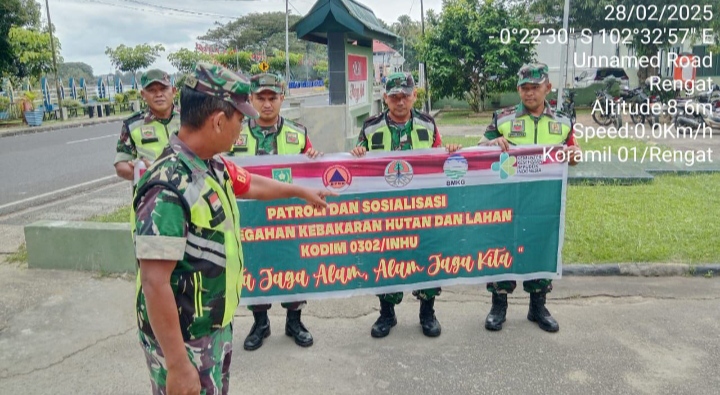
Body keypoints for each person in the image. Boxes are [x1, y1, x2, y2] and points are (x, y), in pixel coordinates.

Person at [132, 62, 336, 395]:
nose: (241, 129)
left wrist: (301, 191)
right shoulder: (167, 189)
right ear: (217, 121)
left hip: (211, 328)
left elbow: (251, 183)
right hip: (184, 341)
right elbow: (155, 283)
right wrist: (177, 364)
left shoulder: (210, 164)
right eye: (240, 120)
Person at [350, 72, 462, 339]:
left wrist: (451, 150)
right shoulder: (370, 127)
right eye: (394, 96)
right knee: (387, 260)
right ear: (385, 98)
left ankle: (427, 312)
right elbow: (358, 161)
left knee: (427, 255)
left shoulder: (427, 125)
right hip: (386, 210)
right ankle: (387, 313)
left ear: (414, 96)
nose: (400, 101)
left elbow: (440, 159)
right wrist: (358, 154)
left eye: (405, 96)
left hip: (422, 209)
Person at [478, 63, 581, 333]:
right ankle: (498, 305)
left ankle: (538, 306)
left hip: (543, 201)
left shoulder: (562, 121)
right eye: (524, 88)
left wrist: (574, 156)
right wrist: (492, 144)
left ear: (548, 87)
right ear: (518, 89)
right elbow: (479, 149)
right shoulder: (503, 119)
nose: (529, 93)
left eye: (535, 87)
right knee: (503, 246)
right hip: (507, 197)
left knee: (540, 245)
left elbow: (574, 155)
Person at [226, 72, 321, 351]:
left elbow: (312, 172)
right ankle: (260, 323)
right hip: (250, 220)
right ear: (251, 99)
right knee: (255, 267)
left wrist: (314, 159)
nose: (267, 104)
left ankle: (294, 321)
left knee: (292, 266)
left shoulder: (298, 133)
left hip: (288, 220)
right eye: (260, 98)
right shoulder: (235, 134)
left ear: (282, 98)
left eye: (273, 98)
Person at [114, 69, 180, 183]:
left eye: (163, 89)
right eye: (152, 90)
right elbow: (121, 164)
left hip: (187, 192)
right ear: (143, 95)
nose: (159, 94)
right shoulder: (132, 124)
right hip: (150, 195)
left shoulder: (189, 119)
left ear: (174, 91)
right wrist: (144, 172)